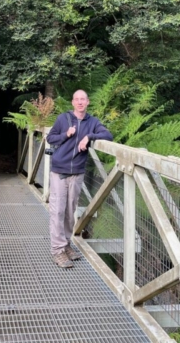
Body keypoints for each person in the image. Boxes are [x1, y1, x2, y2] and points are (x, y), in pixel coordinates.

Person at [46, 90, 113, 268]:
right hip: (59, 171)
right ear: (73, 102)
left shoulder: (92, 122)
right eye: (77, 99)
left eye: (83, 99)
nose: (80, 102)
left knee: (69, 212)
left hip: (77, 172)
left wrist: (89, 136)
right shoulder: (63, 119)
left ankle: (66, 244)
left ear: (88, 102)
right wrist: (66, 135)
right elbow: (50, 138)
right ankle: (57, 250)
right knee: (58, 211)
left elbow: (108, 135)